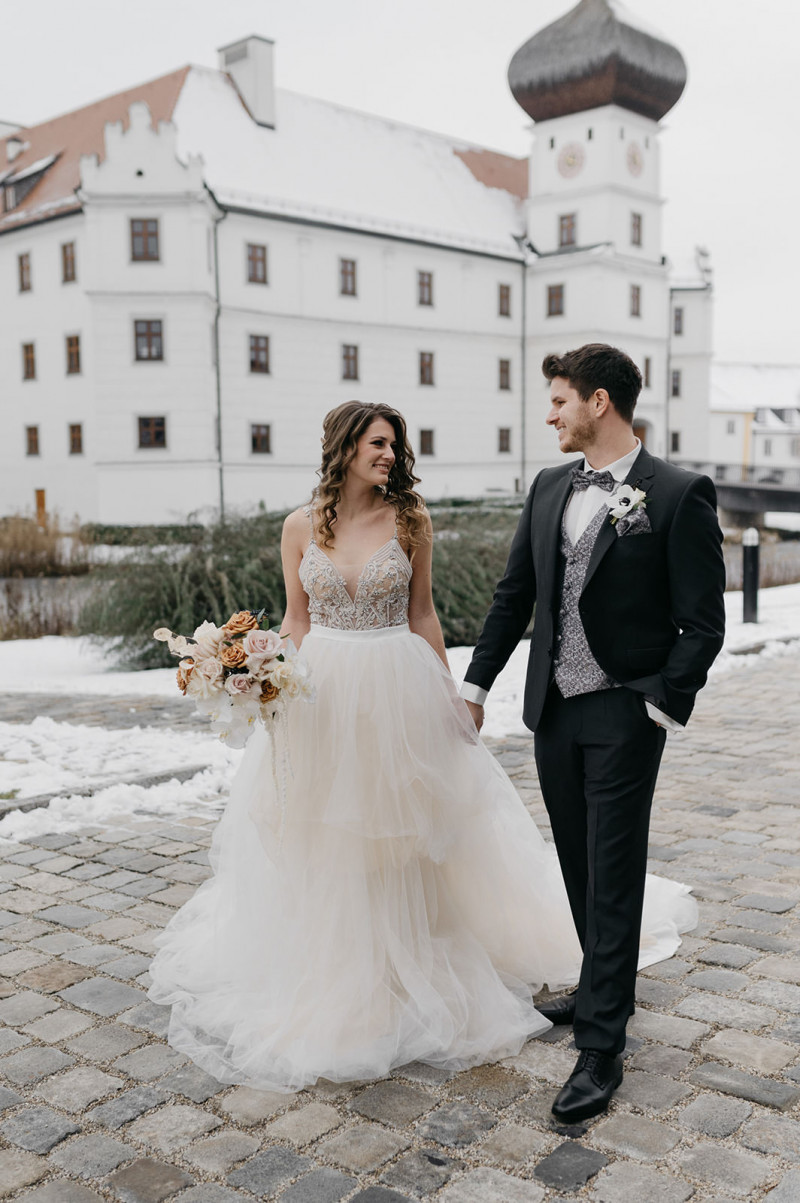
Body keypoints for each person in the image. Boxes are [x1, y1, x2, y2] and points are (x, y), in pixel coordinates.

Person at [148, 397, 698, 1094]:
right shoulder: (297, 526)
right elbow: (293, 615)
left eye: (393, 446)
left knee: (403, 838)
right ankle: (346, 968)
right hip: (318, 696)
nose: (388, 455)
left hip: (396, 689)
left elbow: (423, 613)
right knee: (327, 837)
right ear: (345, 446)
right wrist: (254, 674)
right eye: (377, 443)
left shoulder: (409, 521)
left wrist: (453, 696)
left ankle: (409, 966)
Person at [461, 344, 726, 1122]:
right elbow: (515, 597)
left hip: (623, 709)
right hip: (554, 707)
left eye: (559, 400)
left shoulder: (677, 493)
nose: (549, 413)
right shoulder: (549, 487)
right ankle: (604, 984)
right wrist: (476, 685)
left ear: (600, 402)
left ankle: (601, 1046)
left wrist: (658, 701)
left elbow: (701, 622)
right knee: (578, 860)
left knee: (614, 868)